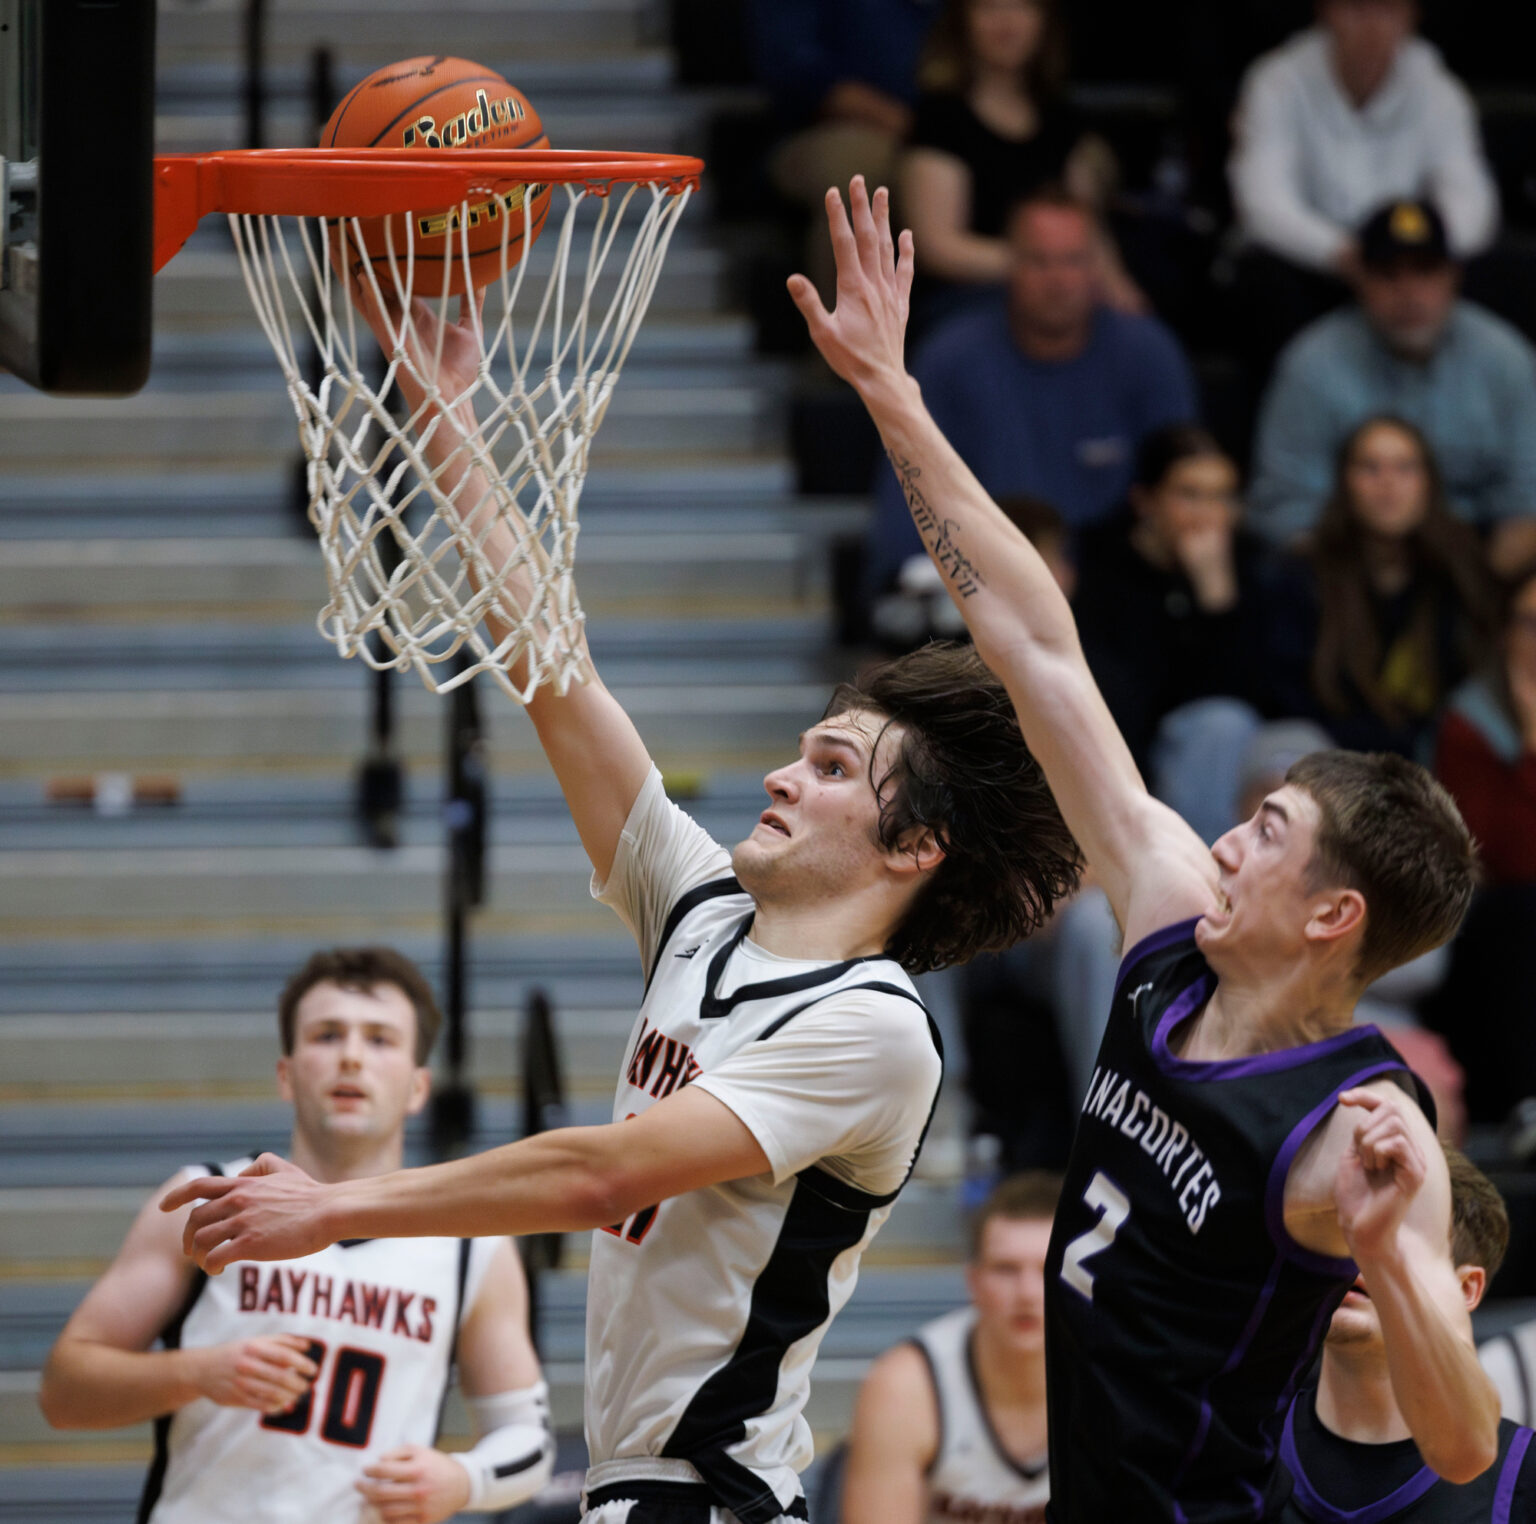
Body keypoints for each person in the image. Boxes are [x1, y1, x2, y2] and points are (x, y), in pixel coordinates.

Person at [162, 271, 1084, 1524]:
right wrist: (442, 416)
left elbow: (607, 1175)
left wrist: (333, 1208)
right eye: (802, 748)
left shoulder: (872, 1030)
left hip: (706, 1494)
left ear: (916, 845)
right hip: (637, 1489)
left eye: (828, 769)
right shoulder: (701, 910)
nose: (780, 772)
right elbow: (551, 666)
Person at [792, 176, 1500, 1520]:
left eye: (1271, 831)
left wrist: (1397, 1263)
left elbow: (1463, 1447)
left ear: (1335, 913)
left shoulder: (1356, 1128)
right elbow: (1037, 645)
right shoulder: (1175, 918)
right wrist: (893, 393)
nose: (1227, 840)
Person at [38, 947, 553, 1524]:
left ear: (417, 1087)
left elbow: (528, 1441)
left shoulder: (471, 1242)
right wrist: (196, 1372)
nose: (352, 1058)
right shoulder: (208, 1196)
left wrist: (465, 1479)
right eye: (327, 1035)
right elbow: (64, 1391)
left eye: (380, 1039)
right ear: (286, 1074)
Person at [864, 185, 1198, 601]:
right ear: (1008, 263)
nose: (1057, 280)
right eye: (1039, 261)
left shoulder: (1150, 355)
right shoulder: (948, 360)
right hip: (978, 601)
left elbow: (1187, 495)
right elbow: (908, 502)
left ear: (1097, 267)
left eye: (1072, 261)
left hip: (1124, 606)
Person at [1248, 199, 1536, 573]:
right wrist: (1372, 597)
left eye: (1425, 270)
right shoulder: (1312, 365)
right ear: (1360, 277)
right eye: (1389, 274)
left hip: (1475, 564)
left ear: (1453, 276)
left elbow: (1528, 500)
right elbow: (1284, 508)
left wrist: (1471, 602)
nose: (1410, 292)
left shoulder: (1504, 357)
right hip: (1349, 571)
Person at [1227, 0, 1498, 363]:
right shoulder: (1277, 81)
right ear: (1325, 11)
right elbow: (1261, 200)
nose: (1372, 26)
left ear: (1411, 16)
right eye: (1357, 8)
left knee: (1489, 271)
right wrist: (1342, 254)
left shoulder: (1439, 90)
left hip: (1405, 255)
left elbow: (1472, 204)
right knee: (1264, 280)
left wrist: (1423, 258)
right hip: (1317, 262)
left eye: (1387, 10)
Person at [1279, 1148, 1536, 1521]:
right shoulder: (1243, 1445)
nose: (1359, 1251)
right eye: (1346, 1227)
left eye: (1393, 1233)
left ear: (1465, 1288)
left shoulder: (1523, 1478)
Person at [1263, 415, 1499, 760]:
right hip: (1326, 758)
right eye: (1370, 468)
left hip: (1434, 761)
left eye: (1405, 468)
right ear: (1345, 482)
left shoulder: (1460, 570)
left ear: (1429, 482)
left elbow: (1475, 688)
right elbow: (1282, 697)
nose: (1387, 483)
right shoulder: (1301, 577)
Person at [900, 0, 1140, 326]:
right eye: (989, 7)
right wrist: (1045, 267)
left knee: (1134, 334)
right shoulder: (940, 118)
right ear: (961, 22)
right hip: (965, 302)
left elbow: (1087, 225)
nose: (1007, 21)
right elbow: (937, 247)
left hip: (1058, 296)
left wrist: (1113, 281)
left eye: (1022, 6)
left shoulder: (1060, 118)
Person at [841, 1171, 1059, 1524]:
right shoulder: (905, 1386)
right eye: (1006, 1269)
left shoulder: (1116, 1379)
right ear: (973, 1280)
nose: (1028, 1293)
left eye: (1048, 1270)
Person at [1073, 423, 1270, 792]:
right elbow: (1123, 692)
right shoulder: (1099, 565)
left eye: (1223, 497)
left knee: (1226, 727)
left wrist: (1217, 597)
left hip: (1216, 751)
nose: (1208, 514)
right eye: (1190, 495)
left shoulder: (1245, 561)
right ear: (1145, 501)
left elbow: (1252, 694)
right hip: (1123, 749)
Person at [750, 0, 940, 303]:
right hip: (830, 129)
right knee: (856, 176)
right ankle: (847, 343)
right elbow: (795, 69)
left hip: (959, 120)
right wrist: (914, 125)